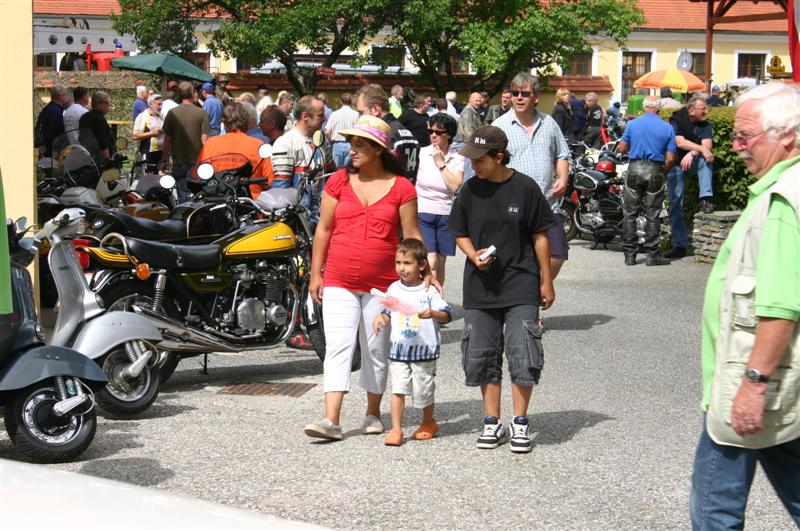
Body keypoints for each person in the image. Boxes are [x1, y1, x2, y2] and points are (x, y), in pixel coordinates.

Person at [689, 81, 800, 529]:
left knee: (715, 506)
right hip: (770, 380)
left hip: (750, 379)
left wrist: (754, 384)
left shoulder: (782, 200)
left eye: (746, 136)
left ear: (787, 136)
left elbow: (781, 304)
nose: (735, 147)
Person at [304, 115, 430, 441]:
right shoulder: (338, 182)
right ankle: (331, 420)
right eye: (351, 143)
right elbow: (324, 229)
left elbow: (412, 234)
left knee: (375, 348)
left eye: (359, 144)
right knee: (338, 347)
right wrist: (315, 274)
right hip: (338, 278)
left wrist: (424, 275)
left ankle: (373, 413)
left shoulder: (402, 187)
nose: (351, 150)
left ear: (377, 149)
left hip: (384, 285)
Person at [449, 125, 555, 453]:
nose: (474, 165)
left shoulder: (525, 188)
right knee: (482, 354)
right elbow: (459, 230)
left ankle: (519, 423)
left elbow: (540, 234)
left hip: (521, 281)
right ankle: (491, 422)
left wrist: (546, 279)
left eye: (480, 159)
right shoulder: (469, 190)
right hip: (480, 285)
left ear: (499, 157)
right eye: (472, 159)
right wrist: (471, 254)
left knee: (523, 352)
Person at [373, 238, 451, 446]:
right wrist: (382, 318)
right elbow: (388, 310)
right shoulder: (394, 288)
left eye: (407, 263)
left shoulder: (428, 291)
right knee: (398, 389)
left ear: (422, 265)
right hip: (399, 350)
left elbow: (446, 314)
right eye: (398, 263)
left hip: (424, 350)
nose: (402, 268)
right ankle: (396, 429)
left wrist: (434, 313)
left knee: (423, 390)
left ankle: (428, 422)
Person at [493, 72, 571, 280]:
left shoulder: (549, 123)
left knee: (558, 253)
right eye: (515, 93)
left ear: (535, 97)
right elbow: (490, 165)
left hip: (546, 204)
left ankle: (535, 290)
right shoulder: (499, 127)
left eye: (525, 93)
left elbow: (562, 154)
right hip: (512, 205)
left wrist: (563, 177)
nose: (519, 97)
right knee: (516, 258)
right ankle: (525, 303)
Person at [616, 96, 676, 266]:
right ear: (659, 108)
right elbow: (671, 158)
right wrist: (662, 171)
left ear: (644, 107)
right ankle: (652, 255)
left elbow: (622, 147)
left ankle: (629, 255)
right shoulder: (667, 128)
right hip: (655, 169)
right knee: (653, 214)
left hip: (635, 168)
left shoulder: (632, 124)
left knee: (630, 213)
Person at [416, 113, 464, 287]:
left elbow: (454, 186)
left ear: (449, 134)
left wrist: (441, 164)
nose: (433, 135)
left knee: (441, 262)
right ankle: (426, 296)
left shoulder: (457, 158)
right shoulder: (421, 153)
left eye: (439, 132)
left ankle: (438, 297)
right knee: (432, 260)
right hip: (423, 210)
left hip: (445, 213)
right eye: (430, 131)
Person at [665, 95, 715, 259]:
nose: (706, 112)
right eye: (703, 109)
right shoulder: (677, 118)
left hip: (690, 161)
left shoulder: (706, 124)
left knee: (706, 159)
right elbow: (679, 142)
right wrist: (700, 149)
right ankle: (679, 245)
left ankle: (706, 198)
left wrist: (693, 153)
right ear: (692, 111)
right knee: (675, 203)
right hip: (676, 165)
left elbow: (707, 147)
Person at [196, 102, 274, 200]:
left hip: (217, 203)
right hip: (250, 205)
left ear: (224, 123)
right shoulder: (258, 145)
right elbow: (268, 183)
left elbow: (199, 176)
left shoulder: (211, 144)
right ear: (246, 122)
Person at [355, 84, 421, 183]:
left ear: (376, 110)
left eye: (361, 113)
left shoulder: (384, 136)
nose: (359, 118)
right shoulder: (404, 131)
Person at [161, 81, 210, 200]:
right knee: (199, 196)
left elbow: (167, 139)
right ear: (192, 94)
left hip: (179, 161)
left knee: (183, 198)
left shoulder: (172, 113)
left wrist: (164, 160)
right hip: (198, 162)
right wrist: (209, 161)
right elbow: (205, 140)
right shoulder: (202, 113)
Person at [324, 92, 359, 169]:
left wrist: (331, 141)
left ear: (340, 101)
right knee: (349, 170)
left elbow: (327, 131)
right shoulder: (356, 114)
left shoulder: (334, 114)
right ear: (351, 101)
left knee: (336, 170)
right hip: (351, 145)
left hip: (337, 144)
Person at [132, 93, 164, 172]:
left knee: (160, 179)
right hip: (148, 153)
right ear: (151, 104)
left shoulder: (162, 116)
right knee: (148, 178)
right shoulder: (142, 116)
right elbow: (135, 136)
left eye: (161, 104)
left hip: (162, 152)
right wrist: (152, 133)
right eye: (158, 104)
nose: (161, 107)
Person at [79, 91, 114, 160]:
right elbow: (102, 142)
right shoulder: (99, 119)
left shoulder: (84, 116)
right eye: (106, 102)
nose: (108, 105)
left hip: (87, 158)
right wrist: (107, 161)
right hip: (99, 160)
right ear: (98, 103)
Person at [36, 84, 67, 156]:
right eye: (65, 94)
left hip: (44, 150)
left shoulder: (46, 109)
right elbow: (54, 133)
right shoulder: (56, 111)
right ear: (60, 96)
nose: (67, 97)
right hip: (52, 152)